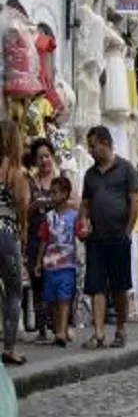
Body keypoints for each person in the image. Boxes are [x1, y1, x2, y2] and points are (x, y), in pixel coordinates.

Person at [78, 126, 138, 349]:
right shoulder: (90, 175)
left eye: (93, 146)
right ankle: (99, 331)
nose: (91, 151)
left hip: (118, 235)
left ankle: (121, 328)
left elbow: (134, 201)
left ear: (105, 143)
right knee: (96, 285)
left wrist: (128, 230)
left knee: (119, 286)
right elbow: (85, 204)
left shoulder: (126, 170)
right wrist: (83, 221)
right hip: (96, 237)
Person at [35, 177, 77, 347]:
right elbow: (44, 240)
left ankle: (61, 331)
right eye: (50, 192)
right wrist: (38, 262)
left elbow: (79, 233)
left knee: (64, 297)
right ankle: (59, 328)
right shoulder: (48, 217)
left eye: (55, 192)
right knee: (53, 298)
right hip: (50, 264)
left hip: (68, 263)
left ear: (65, 194)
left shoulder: (74, 216)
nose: (52, 196)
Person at [0, 120, 29, 365]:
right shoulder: (16, 173)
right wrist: (24, 230)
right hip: (6, 232)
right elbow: (22, 206)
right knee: (13, 290)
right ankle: (9, 346)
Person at [25, 138, 57, 342]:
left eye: (47, 156)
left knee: (56, 280)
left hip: (57, 240)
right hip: (36, 237)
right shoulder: (30, 181)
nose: (44, 160)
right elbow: (25, 209)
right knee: (37, 281)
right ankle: (41, 327)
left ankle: (59, 326)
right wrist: (36, 205)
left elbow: (76, 202)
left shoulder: (60, 179)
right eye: (40, 157)